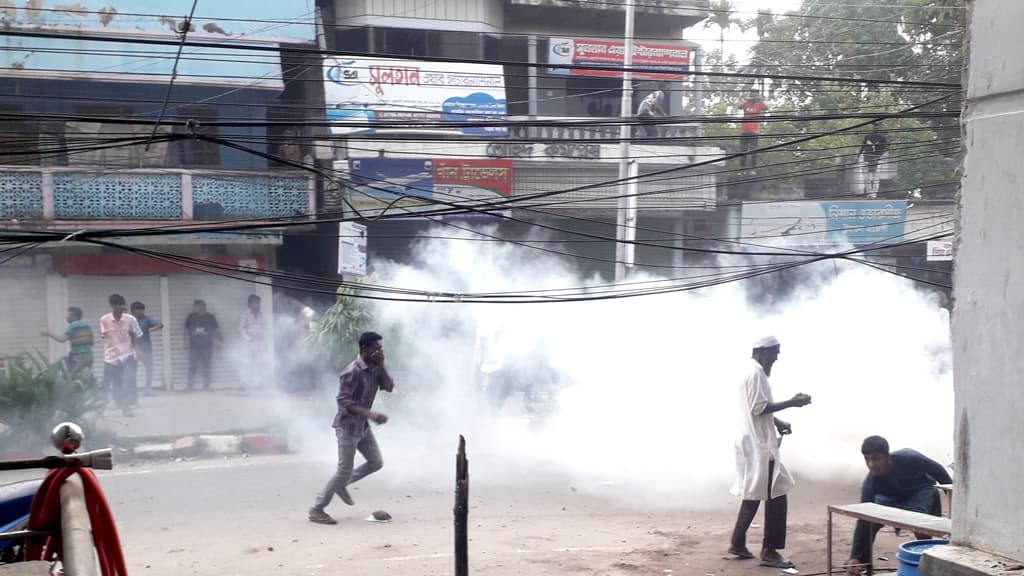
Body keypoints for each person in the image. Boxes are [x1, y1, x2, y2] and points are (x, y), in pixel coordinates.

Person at [729, 335, 812, 568]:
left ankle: (737, 541)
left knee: (757, 491)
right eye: (775, 352)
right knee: (775, 493)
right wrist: (792, 402)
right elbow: (758, 408)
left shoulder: (750, 371)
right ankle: (770, 551)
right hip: (758, 444)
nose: (777, 357)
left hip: (753, 441)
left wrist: (777, 422)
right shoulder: (756, 373)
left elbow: (756, 408)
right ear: (762, 351)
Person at [309, 331, 395, 525]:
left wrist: (382, 365)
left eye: (381, 348)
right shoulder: (352, 371)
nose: (380, 352)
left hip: (362, 427)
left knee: (376, 462)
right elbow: (344, 401)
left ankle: (342, 484)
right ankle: (317, 509)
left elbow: (389, 386)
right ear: (365, 349)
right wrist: (371, 415)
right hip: (347, 427)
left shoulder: (374, 368)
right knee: (343, 470)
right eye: (376, 348)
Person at [846, 436, 953, 575]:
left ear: (887, 457)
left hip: (919, 492)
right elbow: (863, 519)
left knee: (921, 525)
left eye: (876, 459)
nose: (871, 464)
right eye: (867, 459)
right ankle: (863, 564)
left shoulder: (910, 458)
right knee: (870, 523)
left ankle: (926, 562)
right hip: (892, 499)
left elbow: (938, 470)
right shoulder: (870, 483)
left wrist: (953, 496)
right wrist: (855, 557)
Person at [99, 294, 143, 416]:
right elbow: (105, 337)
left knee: (126, 381)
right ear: (112, 306)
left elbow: (136, 335)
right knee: (109, 383)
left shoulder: (130, 319)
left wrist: (138, 350)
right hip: (110, 356)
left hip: (127, 355)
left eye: (123, 305)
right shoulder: (104, 320)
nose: (122, 307)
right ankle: (103, 407)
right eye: (119, 305)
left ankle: (126, 408)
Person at [41, 306, 94, 371]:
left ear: (74, 316)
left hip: (78, 358)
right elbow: (91, 343)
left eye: (68, 315)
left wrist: (48, 333)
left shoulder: (73, 326)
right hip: (89, 357)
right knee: (83, 378)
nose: (66, 317)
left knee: (56, 368)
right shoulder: (87, 326)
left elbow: (62, 339)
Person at [184, 299, 220, 391]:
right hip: (194, 346)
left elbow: (216, 329)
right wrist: (186, 342)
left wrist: (217, 341)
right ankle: (190, 386)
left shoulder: (210, 317)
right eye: (194, 306)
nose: (194, 308)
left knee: (207, 366)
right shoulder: (191, 317)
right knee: (192, 366)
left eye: (196, 306)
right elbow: (186, 330)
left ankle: (207, 386)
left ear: (202, 307)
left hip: (207, 346)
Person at [130, 301, 164, 392]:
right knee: (131, 369)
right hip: (132, 349)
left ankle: (147, 389)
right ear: (133, 311)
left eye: (142, 310)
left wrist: (150, 330)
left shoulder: (147, 319)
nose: (142, 312)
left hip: (146, 348)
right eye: (139, 310)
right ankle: (131, 389)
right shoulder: (129, 320)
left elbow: (160, 325)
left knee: (149, 368)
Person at [239, 294, 266, 389]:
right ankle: (245, 383)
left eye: (258, 303)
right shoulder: (245, 314)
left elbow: (263, 327)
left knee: (259, 363)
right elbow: (241, 329)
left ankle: (257, 383)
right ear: (249, 303)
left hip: (259, 343)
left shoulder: (260, 314)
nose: (257, 304)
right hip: (248, 343)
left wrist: (263, 341)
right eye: (255, 302)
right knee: (247, 363)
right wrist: (249, 339)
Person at [740, 90, 767, 170]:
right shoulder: (746, 104)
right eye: (752, 96)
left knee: (754, 151)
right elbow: (739, 106)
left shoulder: (759, 105)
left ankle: (753, 169)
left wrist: (759, 100)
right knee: (743, 151)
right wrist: (748, 99)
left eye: (755, 96)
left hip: (754, 132)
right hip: (744, 131)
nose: (754, 98)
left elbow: (766, 108)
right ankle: (742, 169)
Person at [859, 131, 889, 197]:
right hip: (866, 158)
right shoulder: (867, 136)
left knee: (875, 177)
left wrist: (879, 156)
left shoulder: (882, 137)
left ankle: (874, 194)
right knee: (866, 177)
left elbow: (885, 148)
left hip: (877, 159)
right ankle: (869, 193)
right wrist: (859, 156)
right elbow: (862, 147)